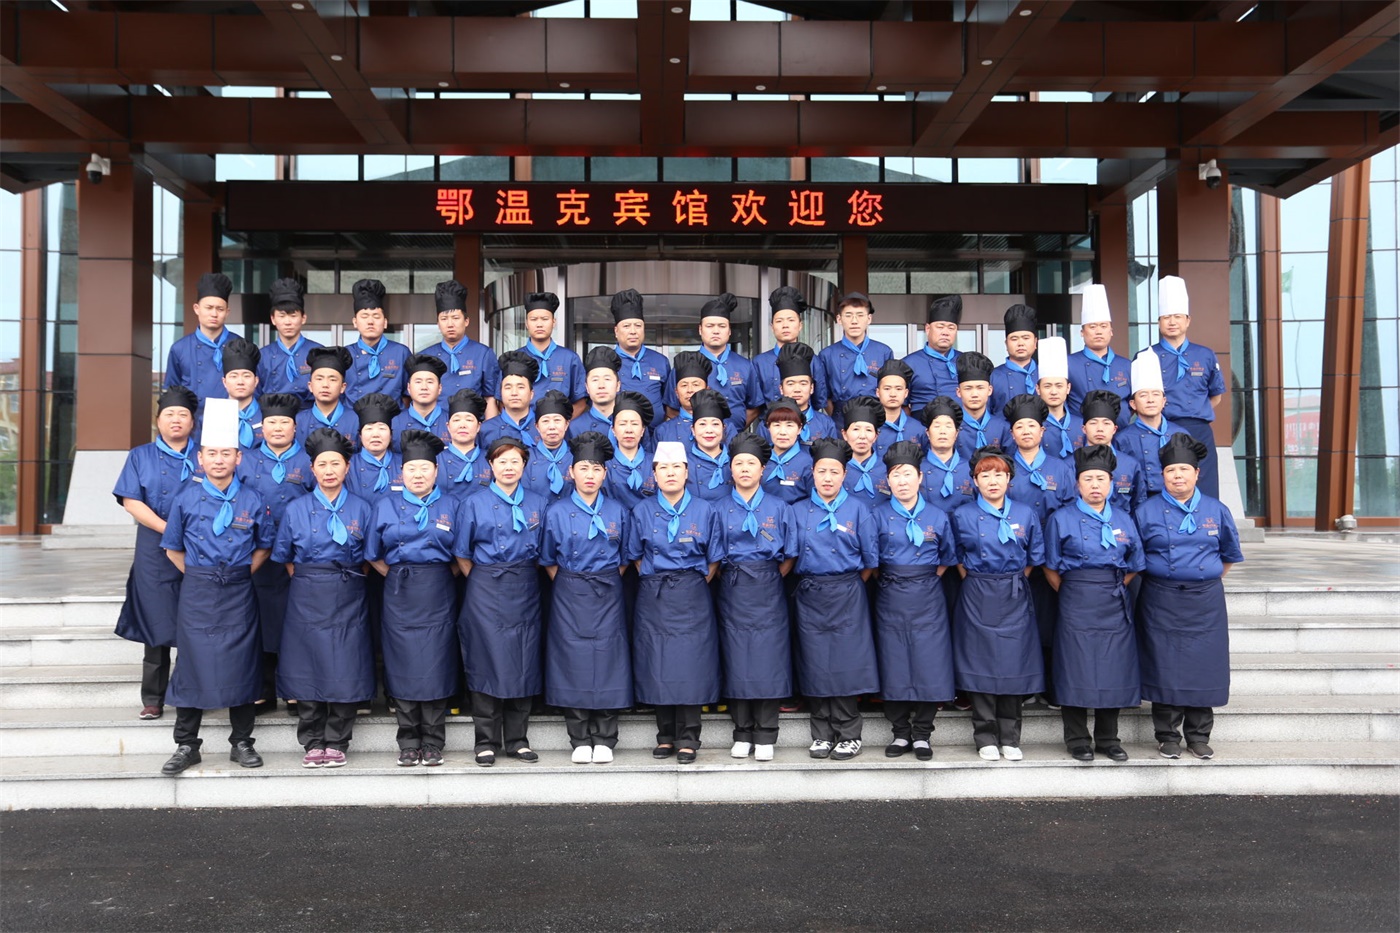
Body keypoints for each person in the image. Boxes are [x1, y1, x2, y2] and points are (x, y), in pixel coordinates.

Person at [158, 398, 274, 775]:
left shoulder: (253, 499)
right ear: (201, 458)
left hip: (239, 589)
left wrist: (240, 573)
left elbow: (264, 546)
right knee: (191, 664)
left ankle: (241, 742)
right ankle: (186, 744)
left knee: (243, 663)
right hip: (199, 591)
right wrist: (200, 574)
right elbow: (173, 547)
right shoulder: (186, 498)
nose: (219, 460)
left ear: (238, 458)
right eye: (212, 453)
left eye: (226, 453)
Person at [271, 427, 376, 768]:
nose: (329, 470)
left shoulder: (363, 508)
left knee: (346, 664)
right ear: (312, 469)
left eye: (336, 463)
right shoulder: (296, 509)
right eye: (322, 464)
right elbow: (286, 557)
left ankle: (338, 739)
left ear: (347, 467)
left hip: (349, 594)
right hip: (306, 594)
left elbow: (370, 556)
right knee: (307, 664)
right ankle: (313, 740)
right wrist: (312, 577)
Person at [1136, 432, 1243, 761]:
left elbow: (1228, 556)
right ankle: (1167, 736)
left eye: (1184, 469)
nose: (1177, 476)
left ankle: (1198, 735)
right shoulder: (1146, 511)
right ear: (1162, 475)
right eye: (1171, 471)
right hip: (1161, 598)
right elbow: (1135, 556)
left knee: (1203, 666)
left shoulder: (1216, 510)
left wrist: (1202, 577)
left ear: (1197, 473)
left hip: (1205, 600)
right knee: (1164, 665)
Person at [1043, 444, 1145, 763]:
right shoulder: (1061, 519)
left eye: (1101, 478)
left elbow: (1135, 563)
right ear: (1078, 484)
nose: (1095, 485)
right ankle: (1077, 739)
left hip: (1113, 599)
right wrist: (1076, 589)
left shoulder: (1124, 518)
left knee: (1114, 667)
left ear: (1111, 483)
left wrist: (1110, 587)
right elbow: (1050, 566)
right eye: (1088, 479)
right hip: (1075, 598)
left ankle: (1108, 738)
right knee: (1074, 666)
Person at [625, 441, 724, 764]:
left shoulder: (705, 510)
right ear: (654, 475)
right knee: (658, 662)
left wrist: (689, 582)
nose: (670, 473)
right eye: (663, 468)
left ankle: (689, 737)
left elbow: (714, 559)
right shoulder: (641, 511)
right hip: (654, 594)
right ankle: (665, 735)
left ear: (686, 473)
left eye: (676, 468)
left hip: (692, 592)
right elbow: (635, 555)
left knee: (691, 665)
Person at [454, 435, 549, 767]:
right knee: (485, 660)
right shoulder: (473, 503)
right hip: (485, 588)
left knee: (523, 660)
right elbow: (462, 553)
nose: (509, 467)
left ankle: (518, 740)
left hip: (525, 586)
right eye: (502, 461)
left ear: (524, 466)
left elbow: (546, 552)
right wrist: (486, 579)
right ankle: (486, 741)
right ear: (491, 465)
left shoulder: (539, 503)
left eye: (515, 461)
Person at [365, 429, 458, 767]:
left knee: (436, 663)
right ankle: (407, 741)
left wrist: (437, 576)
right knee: (402, 662)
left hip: (438, 589)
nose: (418, 475)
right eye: (411, 469)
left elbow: (462, 554)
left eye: (424, 469)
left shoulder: (452, 505)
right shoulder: (385, 505)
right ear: (401, 472)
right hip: (399, 591)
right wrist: (397, 575)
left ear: (436, 471)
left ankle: (433, 741)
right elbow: (372, 553)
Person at [949, 447, 1045, 762]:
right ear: (975, 481)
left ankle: (1010, 737)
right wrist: (979, 579)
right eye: (985, 475)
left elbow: (1033, 557)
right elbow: (956, 555)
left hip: (1014, 593)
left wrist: (1010, 579)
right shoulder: (962, 515)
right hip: (977, 591)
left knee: (1014, 663)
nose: (992, 481)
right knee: (980, 664)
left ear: (1009, 479)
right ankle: (985, 736)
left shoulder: (1025, 513)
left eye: (999, 475)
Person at [542, 432, 632, 764]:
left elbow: (626, 557)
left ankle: (606, 737)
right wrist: (573, 581)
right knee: (572, 659)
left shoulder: (618, 510)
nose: (590, 475)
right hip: (569, 590)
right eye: (583, 468)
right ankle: (579, 737)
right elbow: (548, 558)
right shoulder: (556, 511)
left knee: (609, 659)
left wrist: (601, 578)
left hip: (608, 590)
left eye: (596, 468)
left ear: (605, 473)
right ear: (571, 472)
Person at [113, 385, 202, 720]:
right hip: (154, 547)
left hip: (199, 546)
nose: (176, 420)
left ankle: (193, 692)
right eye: (169, 414)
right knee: (156, 620)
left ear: (193, 422)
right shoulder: (140, 456)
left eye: (183, 414)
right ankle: (153, 698)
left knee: (196, 620)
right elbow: (131, 501)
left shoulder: (206, 454)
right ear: (158, 420)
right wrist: (169, 529)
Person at [790, 437, 880, 761]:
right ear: (812, 473)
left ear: (845, 475)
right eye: (821, 471)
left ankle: (849, 733)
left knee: (846, 664)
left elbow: (870, 560)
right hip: (810, 594)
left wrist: (845, 583)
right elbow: (790, 556)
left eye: (834, 472)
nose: (827, 478)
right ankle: (821, 733)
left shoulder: (858, 509)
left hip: (847, 593)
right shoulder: (797, 511)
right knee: (815, 663)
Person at [715, 433, 797, 762]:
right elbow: (712, 556)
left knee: (768, 658)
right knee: (737, 657)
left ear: (763, 469)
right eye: (739, 463)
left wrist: (768, 575)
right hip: (732, 588)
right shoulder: (718, 508)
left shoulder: (779, 507)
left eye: (751, 463)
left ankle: (765, 732)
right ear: (730, 469)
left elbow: (790, 554)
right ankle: (742, 730)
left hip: (768, 587)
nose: (745, 469)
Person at [874, 441, 957, 760]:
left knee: (929, 662)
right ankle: (900, 732)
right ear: (888, 480)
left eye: (908, 474)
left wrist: (923, 577)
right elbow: (872, 559)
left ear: (920, 477)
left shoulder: (937, 515)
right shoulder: (877, 515)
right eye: (896, 475)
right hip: (890, 594)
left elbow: (947, 557)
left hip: (928, 595)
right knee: (893, 661)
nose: (902, 481)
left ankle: (922, 733)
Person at [235, 393, 314, 714]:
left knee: (295, 621)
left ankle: (294, 688)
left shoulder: (309, 460)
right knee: (260, 619)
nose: (278, 427)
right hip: (257, 551)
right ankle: (263, 688)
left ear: (295, 427)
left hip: (299, 553)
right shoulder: (245, 459)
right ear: (261, 426)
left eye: (284, 422)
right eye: (271, 422)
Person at [1150, 275, 1227, 499]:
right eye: (1166, 317)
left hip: (1200, 430)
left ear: (1188, 320)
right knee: (1166, 488)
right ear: (1159, 322)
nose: (1172, 322)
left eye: (1177, 316)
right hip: (1164, 429)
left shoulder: (1205, 355)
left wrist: (1195, 411)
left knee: (1206, 487)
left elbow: (1216, 396)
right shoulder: (1147, 356)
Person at [665, 292, 762, 435]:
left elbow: (754, 407)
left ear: (729, 330)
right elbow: (671, 408)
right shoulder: (685, 364)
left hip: (733, 441)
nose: (716, 331)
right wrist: (698, 432)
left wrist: (732, 431)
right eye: (710, 326)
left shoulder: (745, 366)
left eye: (721, 326)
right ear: (700, 329)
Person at [420, 279, 500, 418]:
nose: (450, 324)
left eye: (455, 318)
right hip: (434, 425)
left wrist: (489, 429)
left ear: (466, 321)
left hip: (472, 425)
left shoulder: (483, 354)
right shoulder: (425, 356)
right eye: (444, 319)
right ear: (438, 323)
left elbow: (490, 398)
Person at [818, 292, 892, 426]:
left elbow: (889, 389)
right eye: (848, 315)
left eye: (860, 315)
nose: (854, 321)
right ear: (839, 319)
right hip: (840, 420)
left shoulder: (883, 352)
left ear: (869, 319)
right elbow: (825, 395)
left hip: (875, 419)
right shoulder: (827, 354)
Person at [1117, 349, 1183, 497]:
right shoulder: (1122, 438)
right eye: (1143, 395)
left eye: (1156, 394)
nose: (1150, 400)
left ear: (1164, 401)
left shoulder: (1181, 434)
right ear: (1133, 404)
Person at [163, 272, 233, 411]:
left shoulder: (241, 346)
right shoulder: (180, 348)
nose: (214, 314)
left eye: (220, 309)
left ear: (227, 312)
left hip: (232, 419)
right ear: (197, 309)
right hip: (193, 419)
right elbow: (171, 394)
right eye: (209, 308)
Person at [753, 285, 829, 411]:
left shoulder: (814, 361)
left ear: (800, 325)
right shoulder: (759, 363)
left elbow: (818, 402)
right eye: (779, 321)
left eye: (791, 320)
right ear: (772, 327)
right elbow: (756, 405)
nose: (785, 325)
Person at [1066, 283, 1131, 423]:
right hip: (1081, 433)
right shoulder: (1069, 364)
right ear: (1082, 332)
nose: (1098, 331)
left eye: (1103, 326)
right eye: (1092, 326)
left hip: (1121, 432)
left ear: (1111, 331)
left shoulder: (1127, 365)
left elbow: (1134, 403)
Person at [754, 342, 837, 448]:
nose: (797, 390)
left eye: (803, 383)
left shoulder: (826, 424)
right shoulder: (767, 425)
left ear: (812, 388)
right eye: (790, 384)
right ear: (781, 389)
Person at [517, 292, 587, 415]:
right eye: (533, 319)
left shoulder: (570, 358)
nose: (539, 324)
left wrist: (561, 423)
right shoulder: (515, 358)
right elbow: (503, 402)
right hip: (523, 426)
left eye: (545, 319)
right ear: (526, 323)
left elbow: (580, 402)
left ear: (554, 322)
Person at [1080, 390, 1147, 517]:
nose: (1100, 429)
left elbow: (1138, 505)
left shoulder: (1130, 465)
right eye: (1093, 423)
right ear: (1084, 428)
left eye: (1106, 423)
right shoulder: (1069, 465)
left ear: (1114, 429)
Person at [257, 277, 322, 409]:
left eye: (293, 316)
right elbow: (256, 393)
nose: (288, 322)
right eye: (282, 316)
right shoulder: (263, 356)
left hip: (310, 417)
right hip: (273, 417)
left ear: (303, 318)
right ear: (273, 319)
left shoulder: (318, 352)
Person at [610, 288, 669, 427]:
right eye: (626, 326)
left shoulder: (660, 361)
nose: (633, 331)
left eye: (638, 326)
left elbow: (669, 404)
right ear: (616, 331)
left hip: (655, 434)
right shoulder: (606, 362)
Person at [345, 278, 410, 405]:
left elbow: (409, 393)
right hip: (353, 416)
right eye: (364, 316)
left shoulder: (401, 352)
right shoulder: (345, 354)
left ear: (385, 322)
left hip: (392, 416)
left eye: (376, 316)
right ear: (355, 322)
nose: (370, 321)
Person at [903, 294, 963, 410]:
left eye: (951, 328)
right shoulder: (909, 363)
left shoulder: (966, 361)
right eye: (940, 327)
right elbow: (902, 406)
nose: (945, 332)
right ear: (928, 329)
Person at [917, 397, 974, 515]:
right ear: (927, 433)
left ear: (957, 433)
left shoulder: (970, 469)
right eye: (937, 426)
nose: (942, 431)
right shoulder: (917, 469)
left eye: (948, 426)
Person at [478, 350, 542, 451]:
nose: (514, 393)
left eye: (520, 387)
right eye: (508, 387)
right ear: (500, 392)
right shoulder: (486, 429)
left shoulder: (544, 426)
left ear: (531, 394)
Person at [603, 391, 657, 512]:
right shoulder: (605, 465)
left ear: (643, 430)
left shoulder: (656, 463)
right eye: (622, 424)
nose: (629, 430)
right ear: (613, 430)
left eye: (634, 424)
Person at [954, 350, 1011, 461]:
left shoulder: (1003, 428)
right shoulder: (951, 426)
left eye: (980, 388)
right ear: (958, 392)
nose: (974, 394)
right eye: (968, 388)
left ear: (990, 390)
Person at [295, 346, 359, 445]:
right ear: (310, 386)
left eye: (332, 379)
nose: (325, 385)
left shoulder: (356, 420)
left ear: (343, 387)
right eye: (319, 379)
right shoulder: (298, 421)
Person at [346, 394, 403, 502]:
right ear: (360, 435)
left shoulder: (404, 464)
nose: (375, 434)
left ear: (391, 435)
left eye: (382, 428)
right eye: (369, 429)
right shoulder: (348, 466)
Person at [436, 388, 492, 498]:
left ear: (478, 426)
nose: (462, 425)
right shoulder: (436, 460)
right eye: (456, 420)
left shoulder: (490, 460)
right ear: (448, 426)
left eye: (469, 420)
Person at [653, 351, 717, 445]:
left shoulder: (724, 428)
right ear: (676, 392)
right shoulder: (663, 431)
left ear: (707, 389)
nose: (690, 390)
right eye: (684, 385)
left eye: (696, 384)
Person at [521, 389, 575, 501]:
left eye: (557, 420)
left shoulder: (576, 457)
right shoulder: (525, 457)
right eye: (545, 421)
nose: (552, 427)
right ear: (537, 426)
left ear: (566, 424)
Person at [758, 398, 814, 505]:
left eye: (789, 425)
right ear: (768, 427)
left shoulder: (808, 464)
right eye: (777, 425)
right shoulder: (759, 459)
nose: (782, 432)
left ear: (799, 428)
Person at [1036, 337, 1082, 461]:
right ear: (1038, 389)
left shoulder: (1082, 425)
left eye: (1059, 386)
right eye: (1047, 386)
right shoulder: (1033, 425)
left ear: (1068, 388)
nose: (1053, 392)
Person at [390, 354, 451, 448]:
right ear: (408, 388)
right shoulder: (394, 423)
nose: (424, 387)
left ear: (439, 388)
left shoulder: (451, 421)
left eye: (430, 382)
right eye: (418, 382)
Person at [840, 396, 889, 508]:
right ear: (844, 434)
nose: (862, 436)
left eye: (868, 430)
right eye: (856, 429)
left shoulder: (887, 468)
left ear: (876, 436)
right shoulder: (836, 467)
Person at [990, 303, 1039, 415]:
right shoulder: (993, 376)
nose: (1020, 343)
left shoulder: (1046, 375)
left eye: (1026, 338)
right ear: (1006, 344)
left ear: (1035, 342)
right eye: (1014, 339)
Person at [685, 388, 733, 502]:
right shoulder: (683, 463)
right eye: (702, 424)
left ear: (723, 428)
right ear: (693, 430)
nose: (709, 430)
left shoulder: (735, 460)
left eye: (715, 424)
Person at [569, 346, 624, 442]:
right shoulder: (575, 427)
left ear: (618, 385)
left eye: (607, 379)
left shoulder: (631, 424)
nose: (601, 385)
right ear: (587, 387)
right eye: (595, 380)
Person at [219, 337, 263, 450]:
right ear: (224, 382)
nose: (240, 382)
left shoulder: (268, 415)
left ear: (256, 381)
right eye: (234, 376)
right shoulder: (213, 416)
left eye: (246, 376)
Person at [874, 358, 922, 459]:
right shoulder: (869, 428)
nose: (893, 394)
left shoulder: (919, 429)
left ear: (906, 393)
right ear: (878, 392)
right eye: (887, 389)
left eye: (898, 389)